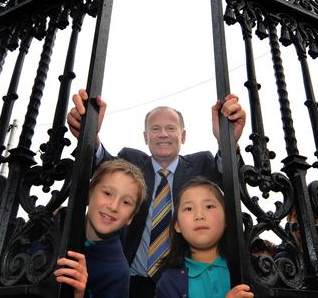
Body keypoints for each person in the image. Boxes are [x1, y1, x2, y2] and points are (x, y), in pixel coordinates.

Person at [66, 89, 246, 297]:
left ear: (183, 136)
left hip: (182, 283)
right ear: (145, 137)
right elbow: (104, 172)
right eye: (155, 129)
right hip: (129, 282)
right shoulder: (129, 159)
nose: (163, 134)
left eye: (171, 128)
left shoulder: (201, 163)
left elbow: (232, 182)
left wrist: (228, 141)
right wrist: (90, 135)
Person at [54, 159, 147, 298]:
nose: (113, 207)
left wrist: (79, 294)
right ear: (89, 192)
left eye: (126, 202)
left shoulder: (118, 273)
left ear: (130, 218)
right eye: (108, 193)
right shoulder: (58, 222)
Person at [155, 177, 253, 298]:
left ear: (227, 218)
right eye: (189, 208)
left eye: (209, 206)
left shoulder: (251, 267)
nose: (199, 215)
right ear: (177, 225)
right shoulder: (168, 282)